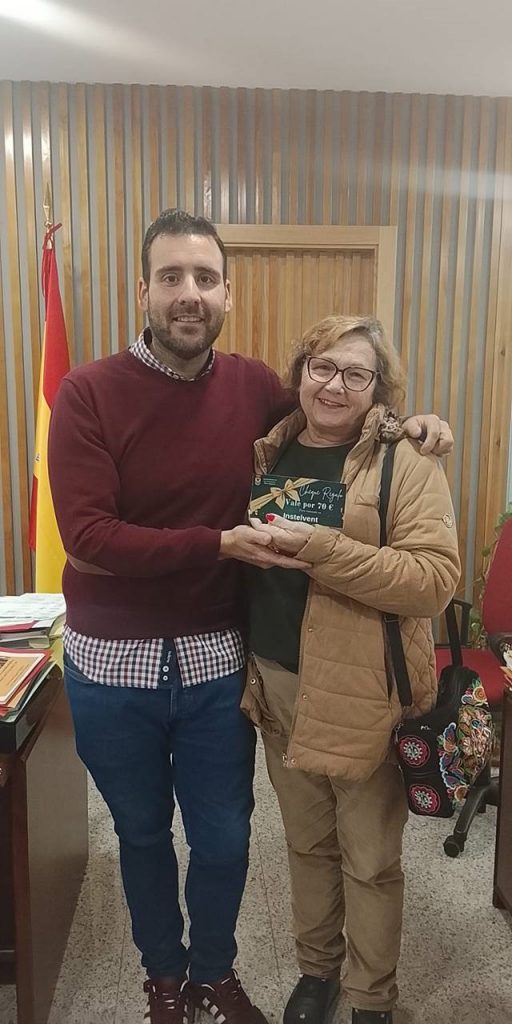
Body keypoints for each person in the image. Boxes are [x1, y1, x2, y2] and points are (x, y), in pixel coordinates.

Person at [48, 210, 455, 1024]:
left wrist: (413, 424)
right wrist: (219, 544)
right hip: (124, 667)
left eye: (205, 278)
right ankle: (166, 980)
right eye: (172, 277)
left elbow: (347, 424)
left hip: (225, 664)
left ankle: (218, 973)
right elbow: (88, 537)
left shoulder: (255, 390)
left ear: (227, 294)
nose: (189, 294)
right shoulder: (89, 392)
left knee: (230, 838)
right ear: (143, 289)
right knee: (142, 835)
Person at [242, 314, 461, 1024]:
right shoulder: (270, 449)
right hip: (277, 681)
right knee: (307, 846)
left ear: (379, 387)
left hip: (364, 691)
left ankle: (370, 996)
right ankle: (317, 972)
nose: (335, 385)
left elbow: (433, 581)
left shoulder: (407, 461)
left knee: (368, 859)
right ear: (301, 373)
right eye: (323, 367)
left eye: (356, 373)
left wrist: (324, 551)